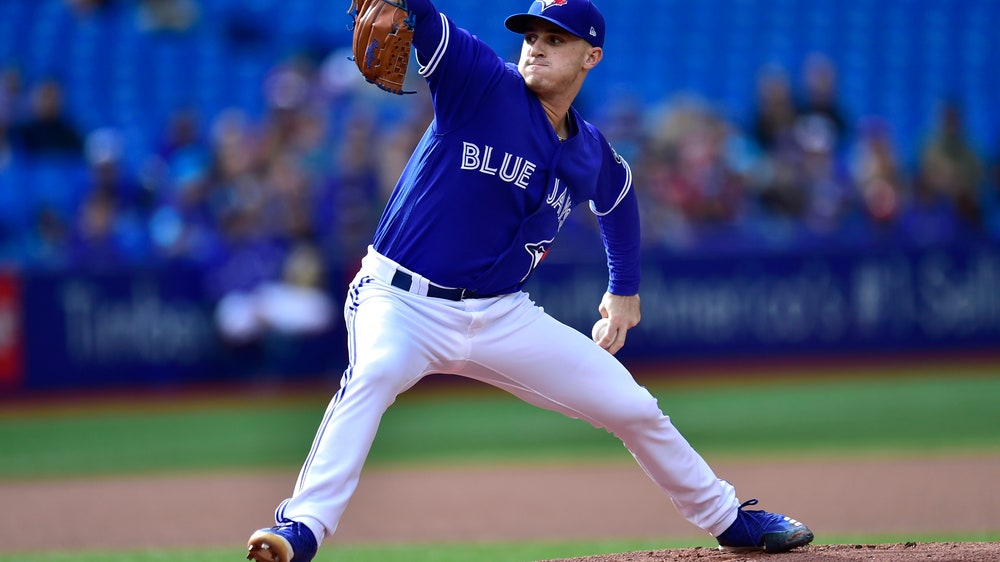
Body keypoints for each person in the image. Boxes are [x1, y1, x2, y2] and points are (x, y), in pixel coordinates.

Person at [246, 2, 815, 561]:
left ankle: (728, 520)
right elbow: (423, 16)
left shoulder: (589, 149)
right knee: (374, 374)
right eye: (531, 35)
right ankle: (301, 527)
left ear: (591, 56)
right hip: (400, 300)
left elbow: (618, 197)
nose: (537, 45)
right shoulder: (480, 84)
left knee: (634, 407)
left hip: (501, 314)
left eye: (556, 38)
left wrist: (624, 289)